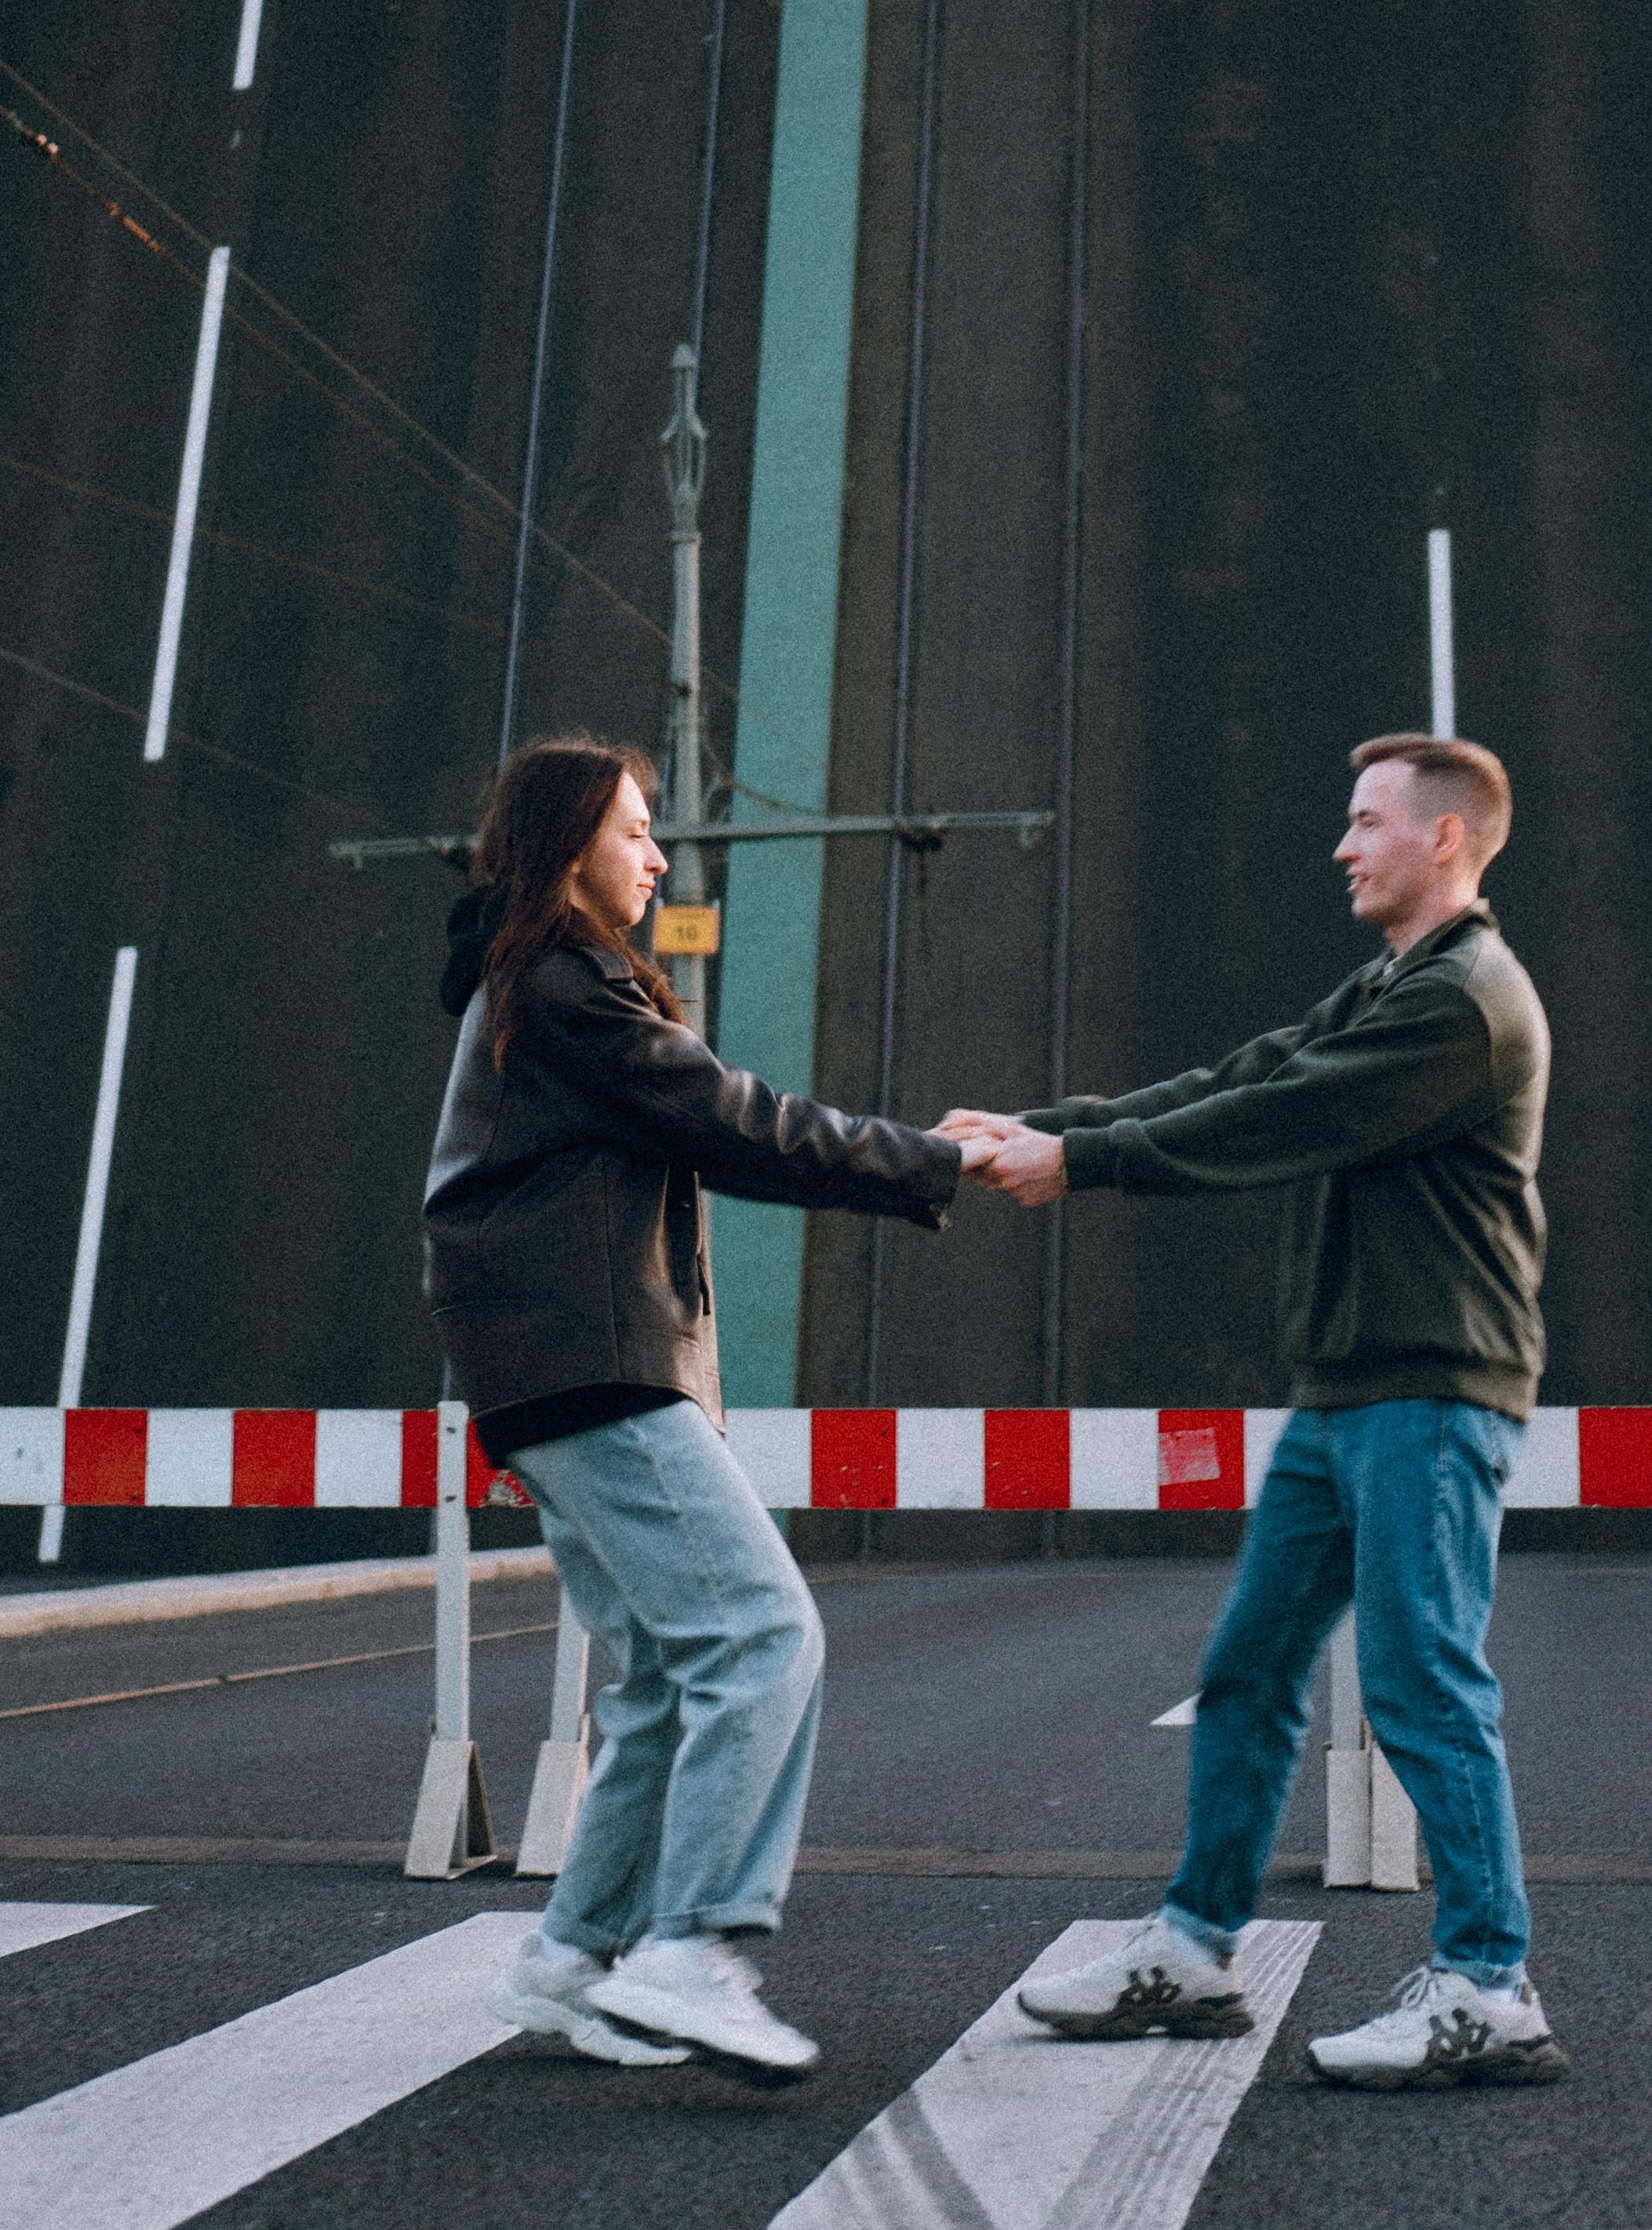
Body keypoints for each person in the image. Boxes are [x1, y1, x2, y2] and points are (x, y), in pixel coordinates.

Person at [946, 733, 1567, 2090]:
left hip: (1432, 1386)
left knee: (1423, 1680)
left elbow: (1284, 1118)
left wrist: (1081, 1162)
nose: (1343, 846)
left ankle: (1488, 1986)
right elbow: (1243, 1075)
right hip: (1348, 1389)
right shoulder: (1388, 984)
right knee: (1248, 1669)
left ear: (1445, 837)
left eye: (1367, 821)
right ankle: (1194, 1949)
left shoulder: (1464, 1004)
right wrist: (1037, 1125)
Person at [422, 734, 988, 2077]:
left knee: (671, 1675)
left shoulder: (531, 984)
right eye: (636, 830)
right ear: (570, 845)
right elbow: (737, 1121)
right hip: (592, 1363)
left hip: (549, 1364)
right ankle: (690, 1948)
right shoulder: (568, 987)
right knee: (762, 1636)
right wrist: (933, 1159)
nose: (660, 857)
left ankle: (572, 1957)